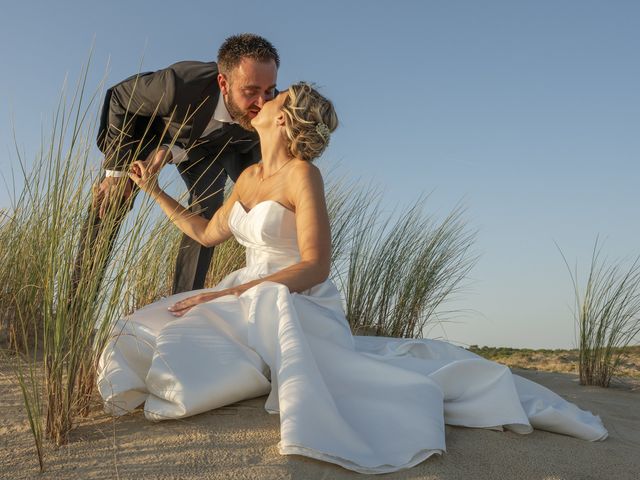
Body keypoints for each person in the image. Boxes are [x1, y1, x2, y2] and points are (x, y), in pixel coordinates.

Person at [97, 83, 607, 474]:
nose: (264, 99)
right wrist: (153, 190)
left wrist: (236, 291)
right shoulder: (248, 178)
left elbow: (316, 265)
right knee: (161, 325)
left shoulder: (303, 175)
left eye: (277, 96)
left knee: (228, 333)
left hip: (292, 294)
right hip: (247, 287)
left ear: (285, 119)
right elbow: (207, 233)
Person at [74, 33, 279, 296]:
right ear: (223, 84)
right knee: (111, 201)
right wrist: (116, 173)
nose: (262, 103)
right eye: (251, 92)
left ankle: (184, 305)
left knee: (209, 209)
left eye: (269, 90)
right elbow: (119, 98)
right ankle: (76, 302)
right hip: (147, 135)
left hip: (205, 154)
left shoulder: (267, 113)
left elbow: (250, 161)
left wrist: (171, 153)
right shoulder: (178, 85)